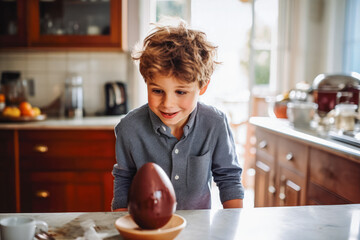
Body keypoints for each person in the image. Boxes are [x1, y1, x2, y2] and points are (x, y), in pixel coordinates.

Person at [112, 19, 244, 211]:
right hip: (147, 229)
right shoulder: (129, 128)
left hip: (199, 230)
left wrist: (233, 225)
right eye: (157, 91)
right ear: (146, 81)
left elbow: (229, 178)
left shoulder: (214, 123)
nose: (167, 104)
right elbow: (124, 179)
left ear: (203, 86)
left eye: (181, 92)